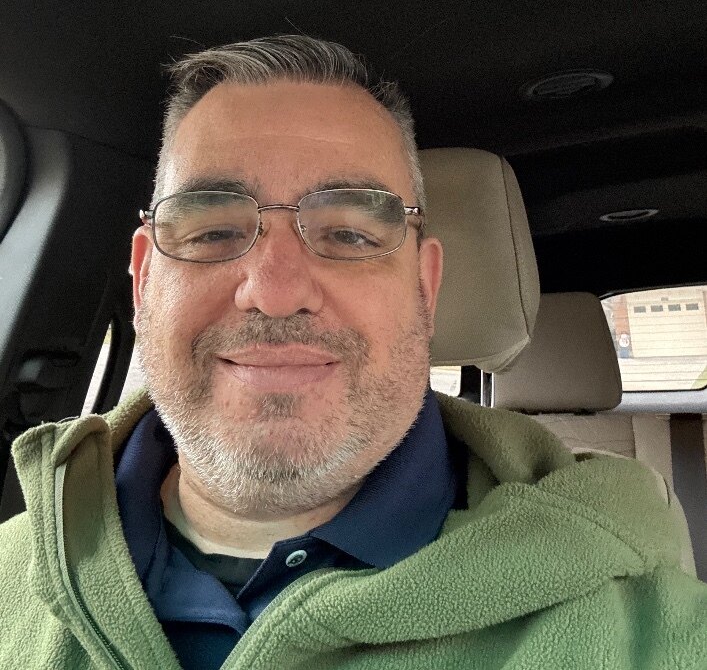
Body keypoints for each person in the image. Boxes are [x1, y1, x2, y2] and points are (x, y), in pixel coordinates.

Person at [0, 35, 705, 670]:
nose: (275, 292)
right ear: (144, 279)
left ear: (425, 287)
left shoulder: (648, 633)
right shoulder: (13, 572)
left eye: (349, 234)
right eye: (212, 231)